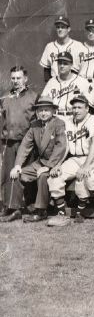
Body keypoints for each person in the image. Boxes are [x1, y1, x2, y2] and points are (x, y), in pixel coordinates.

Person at [46, 93, 94, 227]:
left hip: (91, 157)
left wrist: (85, 166)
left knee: (83, 177)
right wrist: (58, 164)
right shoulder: (67, 122)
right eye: (74, 107)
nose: (76, 110)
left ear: (87, 109)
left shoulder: (93, 120)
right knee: (54, 177)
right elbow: (65, 146)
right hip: (73, 158)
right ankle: (62, 215)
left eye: (79, 107)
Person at [5, 97, 66, 223]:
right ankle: (16, 208)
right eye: (40, 110)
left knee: (43, 176)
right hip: (40, 162)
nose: (43, 113)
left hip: (56, 163)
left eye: (46, 110)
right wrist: (17, 165)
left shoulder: (58, 124)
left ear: (53, 111)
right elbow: (25, 145)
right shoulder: (35, 126)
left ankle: (41, 211)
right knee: (16, 175)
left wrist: (49, 166)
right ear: (37, 112)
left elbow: (61, 147)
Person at [0, 66, 38, 219]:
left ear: (25, 79)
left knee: (27, 174)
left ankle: (32, 206)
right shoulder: (5, 97)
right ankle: (12, 208)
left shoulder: (34, 96)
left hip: (27, 141)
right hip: (9, 142)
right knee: (10, 175)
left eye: (19, 78)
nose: (16, 81)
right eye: (13, 78)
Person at [41, 51, 93, 120]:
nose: (62, 66)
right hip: (55, 118)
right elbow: (43, 102)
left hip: (73, 118)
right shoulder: (51, 82)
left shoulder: (82, 81)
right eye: (60, 63)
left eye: (65, 64)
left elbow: (90, 105)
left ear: (71, 65)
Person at [39, 15, 84, 81]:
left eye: (63, 27)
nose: (60, 29)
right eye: (58, 27)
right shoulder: (49, 47)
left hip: (73, 84)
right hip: (55, 83)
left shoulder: (78, 46)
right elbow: (46, 70)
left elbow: (83, 68)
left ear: (68, 29)